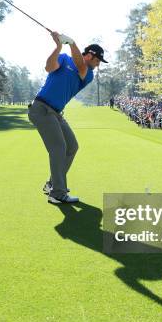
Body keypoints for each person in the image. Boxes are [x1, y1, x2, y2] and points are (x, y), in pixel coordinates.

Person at [28, 31, 105, 204]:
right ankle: (57, 193)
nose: (98, 64)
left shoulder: (88, 73)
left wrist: (72, 43)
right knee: (58, 148)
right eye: (97, 60)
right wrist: (58, 47)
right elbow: (49, 67)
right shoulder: (64, 58)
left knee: (72, 146)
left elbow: (81, 67)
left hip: (56, 113)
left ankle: (52, 184)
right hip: (41, 108)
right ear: (90, 55)